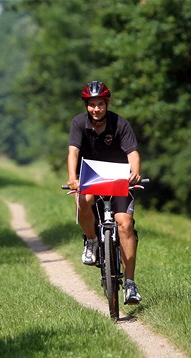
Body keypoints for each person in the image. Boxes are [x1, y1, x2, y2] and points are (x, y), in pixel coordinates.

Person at [66, 81, 143, 304]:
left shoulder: (120, 124)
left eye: (100, 104)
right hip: (90, 177)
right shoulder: (79, 124)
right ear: (86, 106)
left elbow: (133, 153)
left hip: (118, 178)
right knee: (84, 199)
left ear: (107, 104)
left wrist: (135, 172)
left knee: (125, 224)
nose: (96, 109)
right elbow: (73, 151)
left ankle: (130, 284)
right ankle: (91, 240)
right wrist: (73, 177)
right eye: (92, 105)